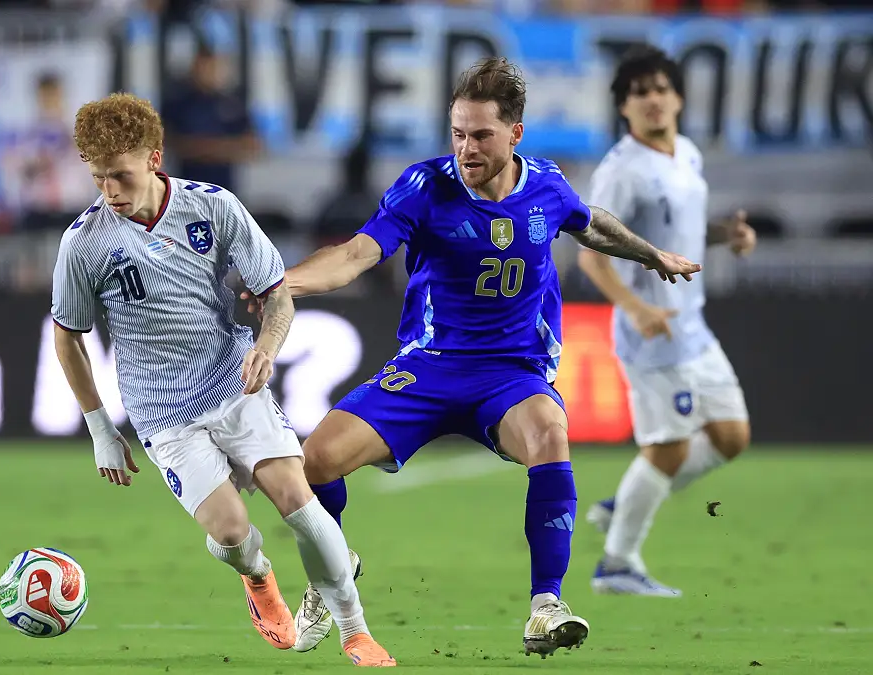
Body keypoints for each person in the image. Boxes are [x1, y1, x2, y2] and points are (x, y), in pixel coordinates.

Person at [245, 57, 701, 658]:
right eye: (457, 133)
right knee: (317, 462)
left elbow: (591, 225)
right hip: (428, 367)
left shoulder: (545, 184)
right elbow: (358, 254)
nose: (466, 147)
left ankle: (546, 605)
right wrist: (283, 283)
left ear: (515, 133)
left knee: (550, 434)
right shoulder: (424, 186)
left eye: (481, 134)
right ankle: (334, 571)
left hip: (510, 376)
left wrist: (651, 255)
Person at [50, 92, 394, 667]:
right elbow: (68, 338)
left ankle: (356, 632)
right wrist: (101, 430)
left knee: (297, 498)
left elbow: (277, 295)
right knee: (233, 534)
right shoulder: (84, 242)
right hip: (163, 415)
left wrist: (266, 346)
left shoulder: (214, 208)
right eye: (97, 178)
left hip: (232, 380)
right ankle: (257, 576)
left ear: (154, 158)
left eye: (120, 176)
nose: (109, 191)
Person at [578, 45, 755, 597]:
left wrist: (729, 236)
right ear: (624, 108)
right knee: (670, 446)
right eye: (639, 92)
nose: (652, 99)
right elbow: (590, 253)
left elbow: (681, 232)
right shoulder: (621, 170)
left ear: (678, 97)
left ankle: (629, 500)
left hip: (693, 326)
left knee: (731, 436)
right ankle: (617, 563)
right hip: (650, 331)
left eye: (660, 88)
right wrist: (636, 307)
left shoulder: (688, 154)